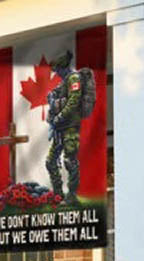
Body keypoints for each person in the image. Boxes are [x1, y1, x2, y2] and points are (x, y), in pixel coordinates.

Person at [45, 51, 96, 204]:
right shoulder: (63, 81)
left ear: (62, 67)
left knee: (70, 160)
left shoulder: (74, 79)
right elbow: (57, 98)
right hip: (60, 128)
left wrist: (60, 116)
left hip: (70, 127)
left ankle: (72, 195)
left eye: (57, 70)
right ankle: (58, 193)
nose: (56, 73)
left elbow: (73, 102)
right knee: (50, 161)